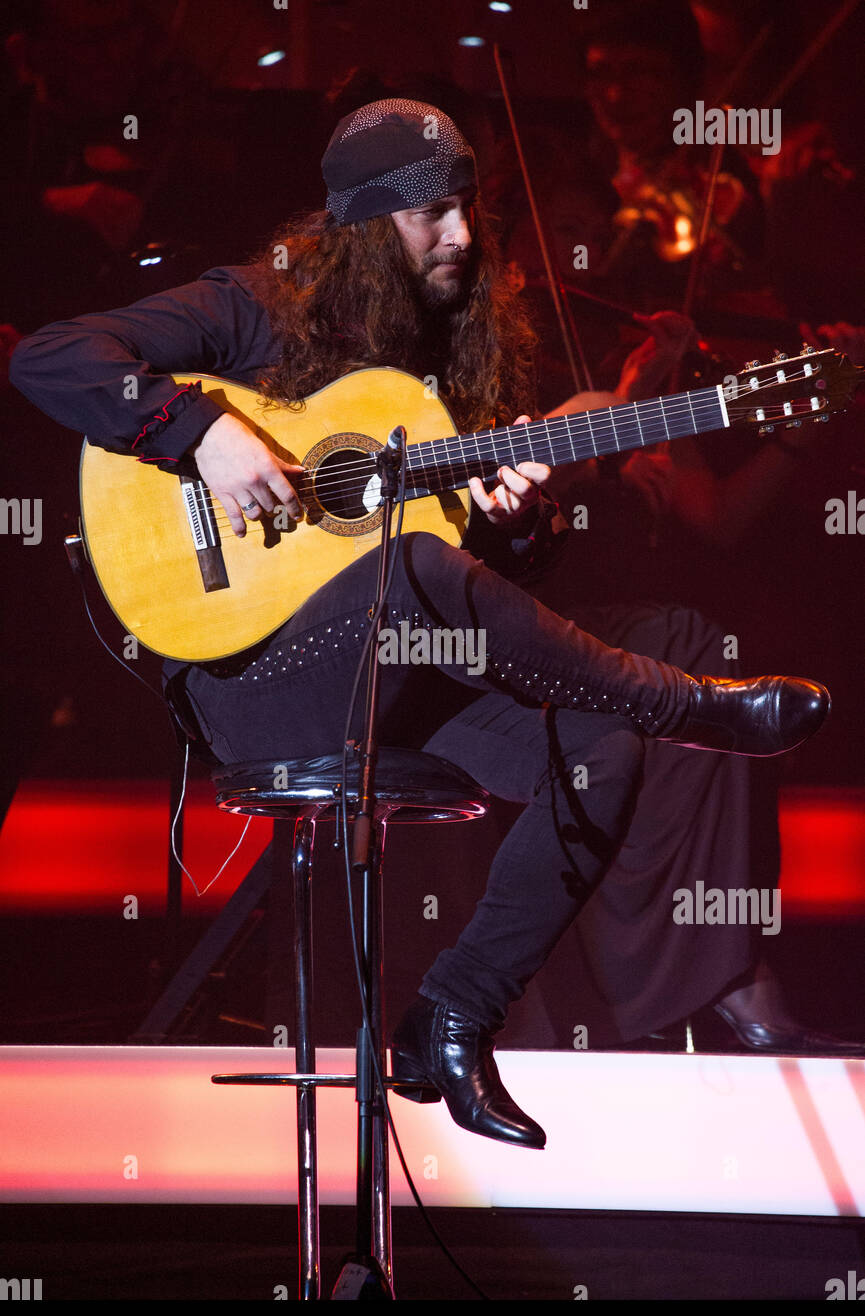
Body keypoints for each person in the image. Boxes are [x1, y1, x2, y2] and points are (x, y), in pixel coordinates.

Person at [10, 99, 830, 1149]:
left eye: (466, 210)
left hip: (389, 665)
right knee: (421, 564)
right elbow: (49, 359)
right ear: (362, 222)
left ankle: (450, 1017)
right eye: (431, 215)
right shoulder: (260, 304)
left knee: (600, 750)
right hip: (252, 678)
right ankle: (689, 706)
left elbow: (461, 572)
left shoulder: (457, 350)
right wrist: (201, 427)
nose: (463, 237)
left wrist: (519, 526)